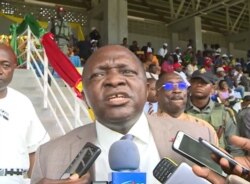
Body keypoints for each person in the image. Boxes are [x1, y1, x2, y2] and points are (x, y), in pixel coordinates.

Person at [31, 45, 219, 184]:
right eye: (98, 75)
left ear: (147, 90)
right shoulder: (49, 156)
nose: (114, 80)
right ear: (84, 95)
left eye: (127, 72)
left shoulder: (198, 137)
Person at [0, 43, 50, 184]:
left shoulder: (22, 103)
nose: (0, 71)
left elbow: (33, 149)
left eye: (6, 65)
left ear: (14, 68)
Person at [186, 69, 244, 156]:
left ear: (213, 88)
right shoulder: (178, 111)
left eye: (204, 83)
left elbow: (235, 148)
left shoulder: (224, 113)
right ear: (190, 86)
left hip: (216, 164)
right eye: (195, 81)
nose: (199, 85)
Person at [156, 72, 218, 145]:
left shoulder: (205, 128)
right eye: (169, 86)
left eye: (182, 86)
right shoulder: (146, 125)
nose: (177, 90)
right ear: (157, 94)